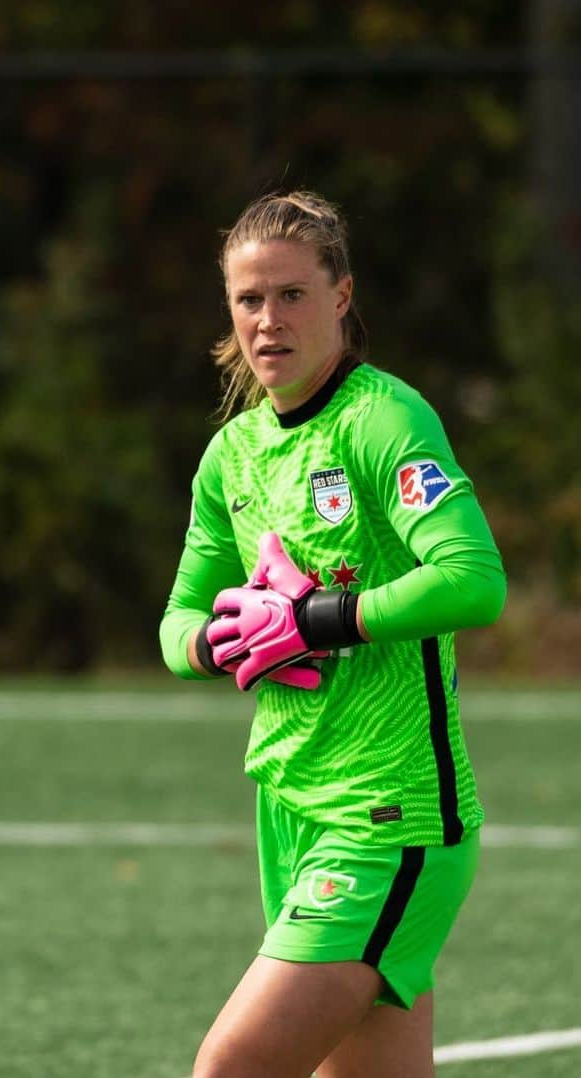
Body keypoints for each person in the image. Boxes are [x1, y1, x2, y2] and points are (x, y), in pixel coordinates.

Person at [159, 190, 506, 1078]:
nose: (268, 320)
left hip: (391, 814)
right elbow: (177, 624)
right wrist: (226, 640)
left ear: (341, 298)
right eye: (249, 300)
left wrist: (317, 619)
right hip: (292, 804)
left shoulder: (384, 420)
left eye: (293, 295)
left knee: (231, 1068)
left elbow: (473, 581)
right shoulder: (231, 457)